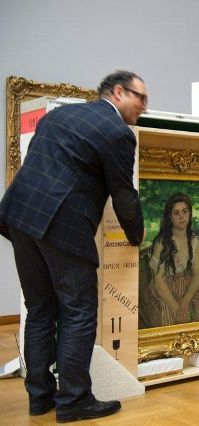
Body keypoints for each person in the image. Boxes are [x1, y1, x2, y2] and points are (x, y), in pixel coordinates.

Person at [0, 70, 147, 422]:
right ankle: (74, 400)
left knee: (39, 308)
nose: (144, 106)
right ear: (117, 92)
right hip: (63, 225)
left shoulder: (59, 116)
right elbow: (123, 194)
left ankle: (40, 397)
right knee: (78, 310)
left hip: (20, 216)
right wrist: (137, 235)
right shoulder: (118, 132)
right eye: (140, 97)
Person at [139, 192, 199, 328]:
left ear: (189, 214)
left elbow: (197, 274)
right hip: (164, 288)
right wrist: (176, 308)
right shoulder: (162, 243)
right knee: (167, 316)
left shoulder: (194, 241)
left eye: (184, 211)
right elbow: (158, 281)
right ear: (170, 217)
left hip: (186, 285)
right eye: (176, 213)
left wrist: (185, 302)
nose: (181, 216)